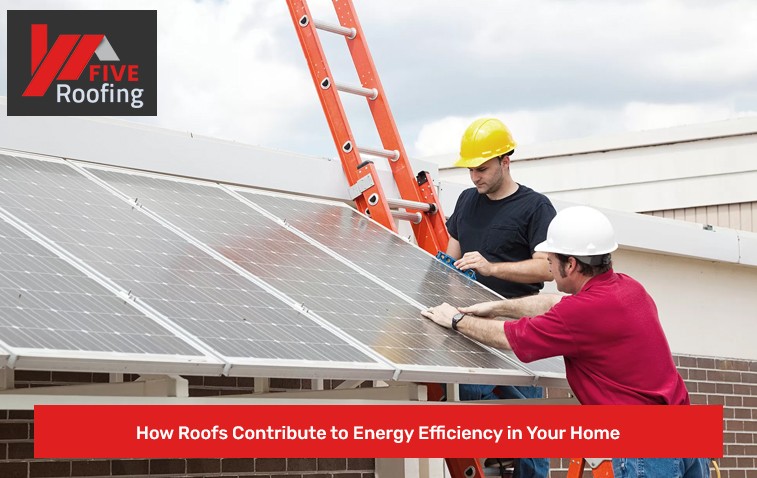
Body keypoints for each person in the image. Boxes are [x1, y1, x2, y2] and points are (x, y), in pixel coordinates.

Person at [423, 206, 710, 478]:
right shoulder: (628, 287)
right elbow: (555, 303)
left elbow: (511, 337)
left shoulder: (581, 313)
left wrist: (456, 320)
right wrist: (498, 307)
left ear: (570, 264)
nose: (548, 267)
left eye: (551, 262)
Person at [445, 118, 555, 477]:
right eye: (471, 169)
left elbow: (547, 269)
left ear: (505, 162)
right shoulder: (466, 201)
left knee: (532, 431)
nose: (475, 177)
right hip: (471, 324)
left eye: (482, 168)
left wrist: (492, 268)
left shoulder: (535, 207)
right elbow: (452, 256)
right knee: (467, 401)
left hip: (517, 325)